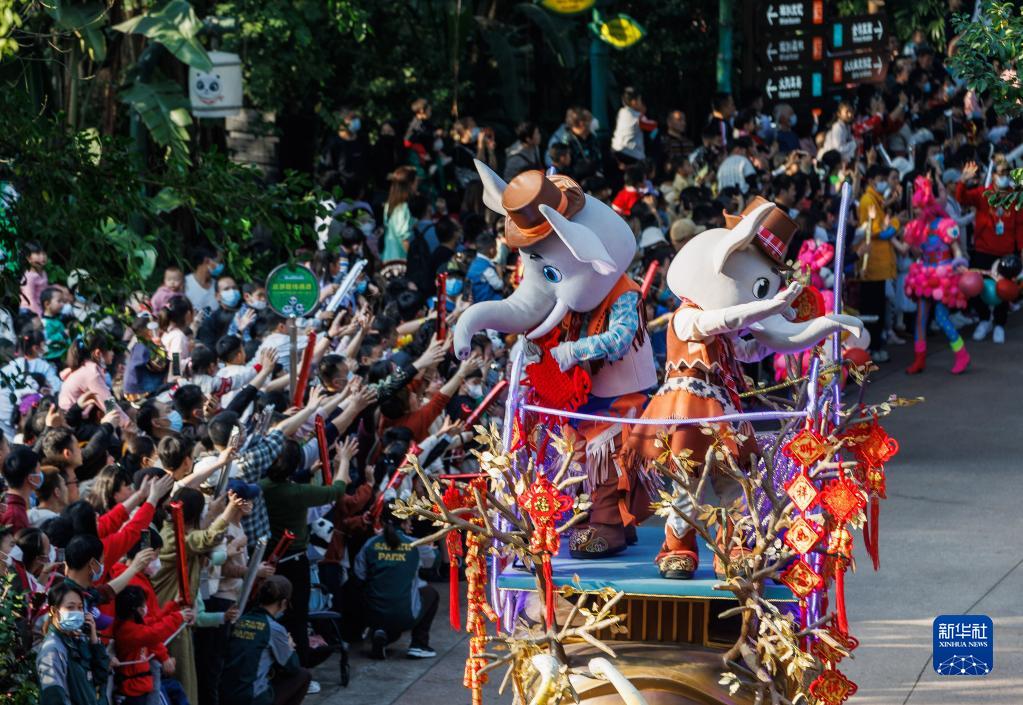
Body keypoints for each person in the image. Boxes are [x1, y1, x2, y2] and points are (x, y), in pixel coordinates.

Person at [259, 436, 356, 666]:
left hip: (264, 563)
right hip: (294, 563)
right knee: (297, 617)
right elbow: (336, 490)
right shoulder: (297, 492)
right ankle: (299, 668)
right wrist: (344, 460)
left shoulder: (260, 486)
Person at [354, 504, 439, 660]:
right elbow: (432, 562)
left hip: (373, 614)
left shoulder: (370, 544)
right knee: (431, 593)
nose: (411, 523)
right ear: (404, 522)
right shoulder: (416, 545)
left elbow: (359, 576)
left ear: (381, 521)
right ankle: (419, 644)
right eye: (409, 520)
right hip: (404, 614)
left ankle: (380, 633)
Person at [956, 159, 1023, 344]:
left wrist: (1021, 249)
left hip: (1006, 252)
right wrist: (962, 181)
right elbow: (962, 198)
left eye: (1007, 173)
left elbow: (1020, 225)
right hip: (983, 250)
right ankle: (984, 320)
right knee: (978, 287)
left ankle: (999, 324)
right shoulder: (982, 194)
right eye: (1000, 173)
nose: (1003, 177)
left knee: (1004, 290)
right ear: (993, 175)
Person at [220, 575, 311, 705]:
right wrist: (289, 646)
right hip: (252, 699)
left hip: (225, 695)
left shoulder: (240, 620)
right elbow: (292, 667)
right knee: (303, 675)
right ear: (284, 603)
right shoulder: (274, 629)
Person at [36, 582, 110, 705]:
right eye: (70, 607)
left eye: (80, 607)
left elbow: (100, 677)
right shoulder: (52, 650)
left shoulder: (76, 641)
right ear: (54, 611)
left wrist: (94, 639)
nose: (77, 612)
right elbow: (53, 698)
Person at [382, 166, 418, 262]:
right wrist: (414, 261)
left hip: (388, 258)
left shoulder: (388, 206)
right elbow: (404, 239)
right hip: (400, 261)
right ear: (410, 184)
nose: (417, 186)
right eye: (416, 182)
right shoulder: (403, 208)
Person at [611, 86, 656, 164]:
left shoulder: (621, 112)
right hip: (631, 154)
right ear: (634, 102)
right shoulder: (638, 116)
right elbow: (651, 127)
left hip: (615, 149)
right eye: (640, 100)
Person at [466, 233, 503, 303]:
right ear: (491, 250)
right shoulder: (486, 268)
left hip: (477, 300)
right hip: (488, 302)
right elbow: (498, 286)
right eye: (496, 248)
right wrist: (500, 273)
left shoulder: (475, 262)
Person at [184, 247, 223, 314]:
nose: (221, 265)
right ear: (206, 261)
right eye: (219, 262)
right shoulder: (184, 283)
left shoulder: (218, 286)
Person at [20, 240, 49, 315]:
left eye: (44, 253)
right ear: (28, 258)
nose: (42, 257)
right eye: (38, 254)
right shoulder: (29, 277)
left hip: (41, 307)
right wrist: (40, 316)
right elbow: (30, 300)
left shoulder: (43, 273)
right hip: (28, 311)